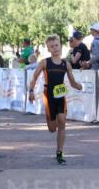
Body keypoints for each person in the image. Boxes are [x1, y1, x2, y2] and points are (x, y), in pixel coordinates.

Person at [27, 34, 83, 164]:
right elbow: (34, 77)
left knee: (62, 121)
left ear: (60, 46)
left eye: (56, 45)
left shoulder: (66, 64)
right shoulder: (45, 62)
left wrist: (78, 86)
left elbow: (72, 81)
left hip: (60, 96)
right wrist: (31, 91)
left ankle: (59, 153)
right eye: (52, 46)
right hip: (49, 97)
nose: (55, 48)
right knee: (52, 129)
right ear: (48, 49)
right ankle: (53, 120)